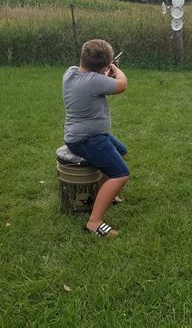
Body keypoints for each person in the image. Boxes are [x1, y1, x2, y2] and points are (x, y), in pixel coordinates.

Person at [62, 39, 129, 237]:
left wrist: (105, 71)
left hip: (85, 134)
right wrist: (115, 70)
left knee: (120, 151)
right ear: (103, 66)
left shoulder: (70, 72)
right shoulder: (94, 81)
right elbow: (122, 84)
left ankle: (106, 194)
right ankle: (94, 222)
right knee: (121, 173)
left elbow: (94, 81)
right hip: (87, 138)